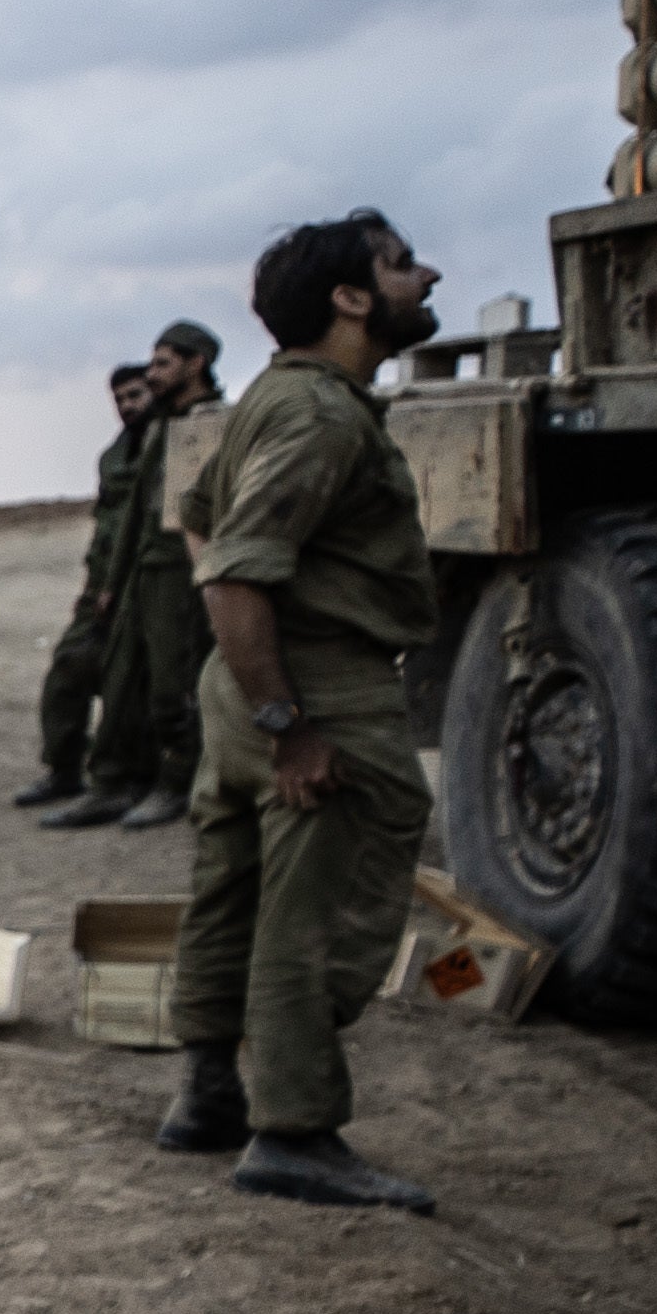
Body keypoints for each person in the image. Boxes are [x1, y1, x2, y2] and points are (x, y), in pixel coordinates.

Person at [159, 210, 443, 1211]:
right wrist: (292, 724)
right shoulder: (321, 415)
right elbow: (233, 576)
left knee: (232, 889)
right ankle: (295, 1132)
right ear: (350, 300)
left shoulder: (275, 402)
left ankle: (205, 1096)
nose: (428, 278)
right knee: (314, 912)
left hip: (251, 679)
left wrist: (251, 689)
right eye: (403, 268)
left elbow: (199, 523)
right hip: (305, 680)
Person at [86, 324, 226, 828]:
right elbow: (135, 515)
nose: (153, 373)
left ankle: (178, 784)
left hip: (181, 573)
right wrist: (111, 583)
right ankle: (117, 783)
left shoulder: (212, 424)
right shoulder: (160, 427)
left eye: (164, 362)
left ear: (196, 364)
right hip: (143, 570)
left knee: (176, 687)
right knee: (121, 678)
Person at [14, 360, 158, 814]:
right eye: (120, 399)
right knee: (68, 670)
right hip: (103, 588)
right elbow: (107, 530)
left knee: (127, 687)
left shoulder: (167, 448)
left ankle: (125, 780)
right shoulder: (114, 457)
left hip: (149, 586)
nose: (128, 406)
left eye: (136, 395)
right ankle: (63, 769)